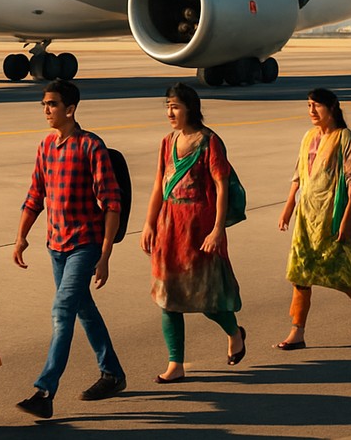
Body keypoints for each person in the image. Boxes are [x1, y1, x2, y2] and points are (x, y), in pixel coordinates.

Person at [13, 78, 126, 419]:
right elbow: (35, 196)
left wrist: (105, 255)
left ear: (70, 109)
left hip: (85, 244)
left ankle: (45, 391)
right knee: (83, 309)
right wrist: (21, 236)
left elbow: (111, 203)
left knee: (62, 312)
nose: (46, 110)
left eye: (52, 104)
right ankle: (113, 373)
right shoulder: (46, 146)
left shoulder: (92, 147)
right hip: (55, 245)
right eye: (44, 104)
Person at [139, 83, 245, 383]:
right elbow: (159, 185)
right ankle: (176, 363)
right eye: (168, 106)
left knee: (206, 296)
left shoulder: (209, 142)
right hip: (169, 226)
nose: (170, 112)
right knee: (167, 296)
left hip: (199, 228)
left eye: (175, 106)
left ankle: (235, 333)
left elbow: (222, 187)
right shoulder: (167, 142)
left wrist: (217, 230)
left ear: (190, 108)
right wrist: (148, 223)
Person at [276, 88, 351, 348]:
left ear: (332, 108)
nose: (311, 111)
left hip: (335, 217)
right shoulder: (308, 137)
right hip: (307, 219)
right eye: (308, 105)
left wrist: (345, 221)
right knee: (300, 273)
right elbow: (298, 177)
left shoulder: (345, 138)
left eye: (316, 106)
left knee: (345, 276)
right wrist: (288, 207)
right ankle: (297, 331)